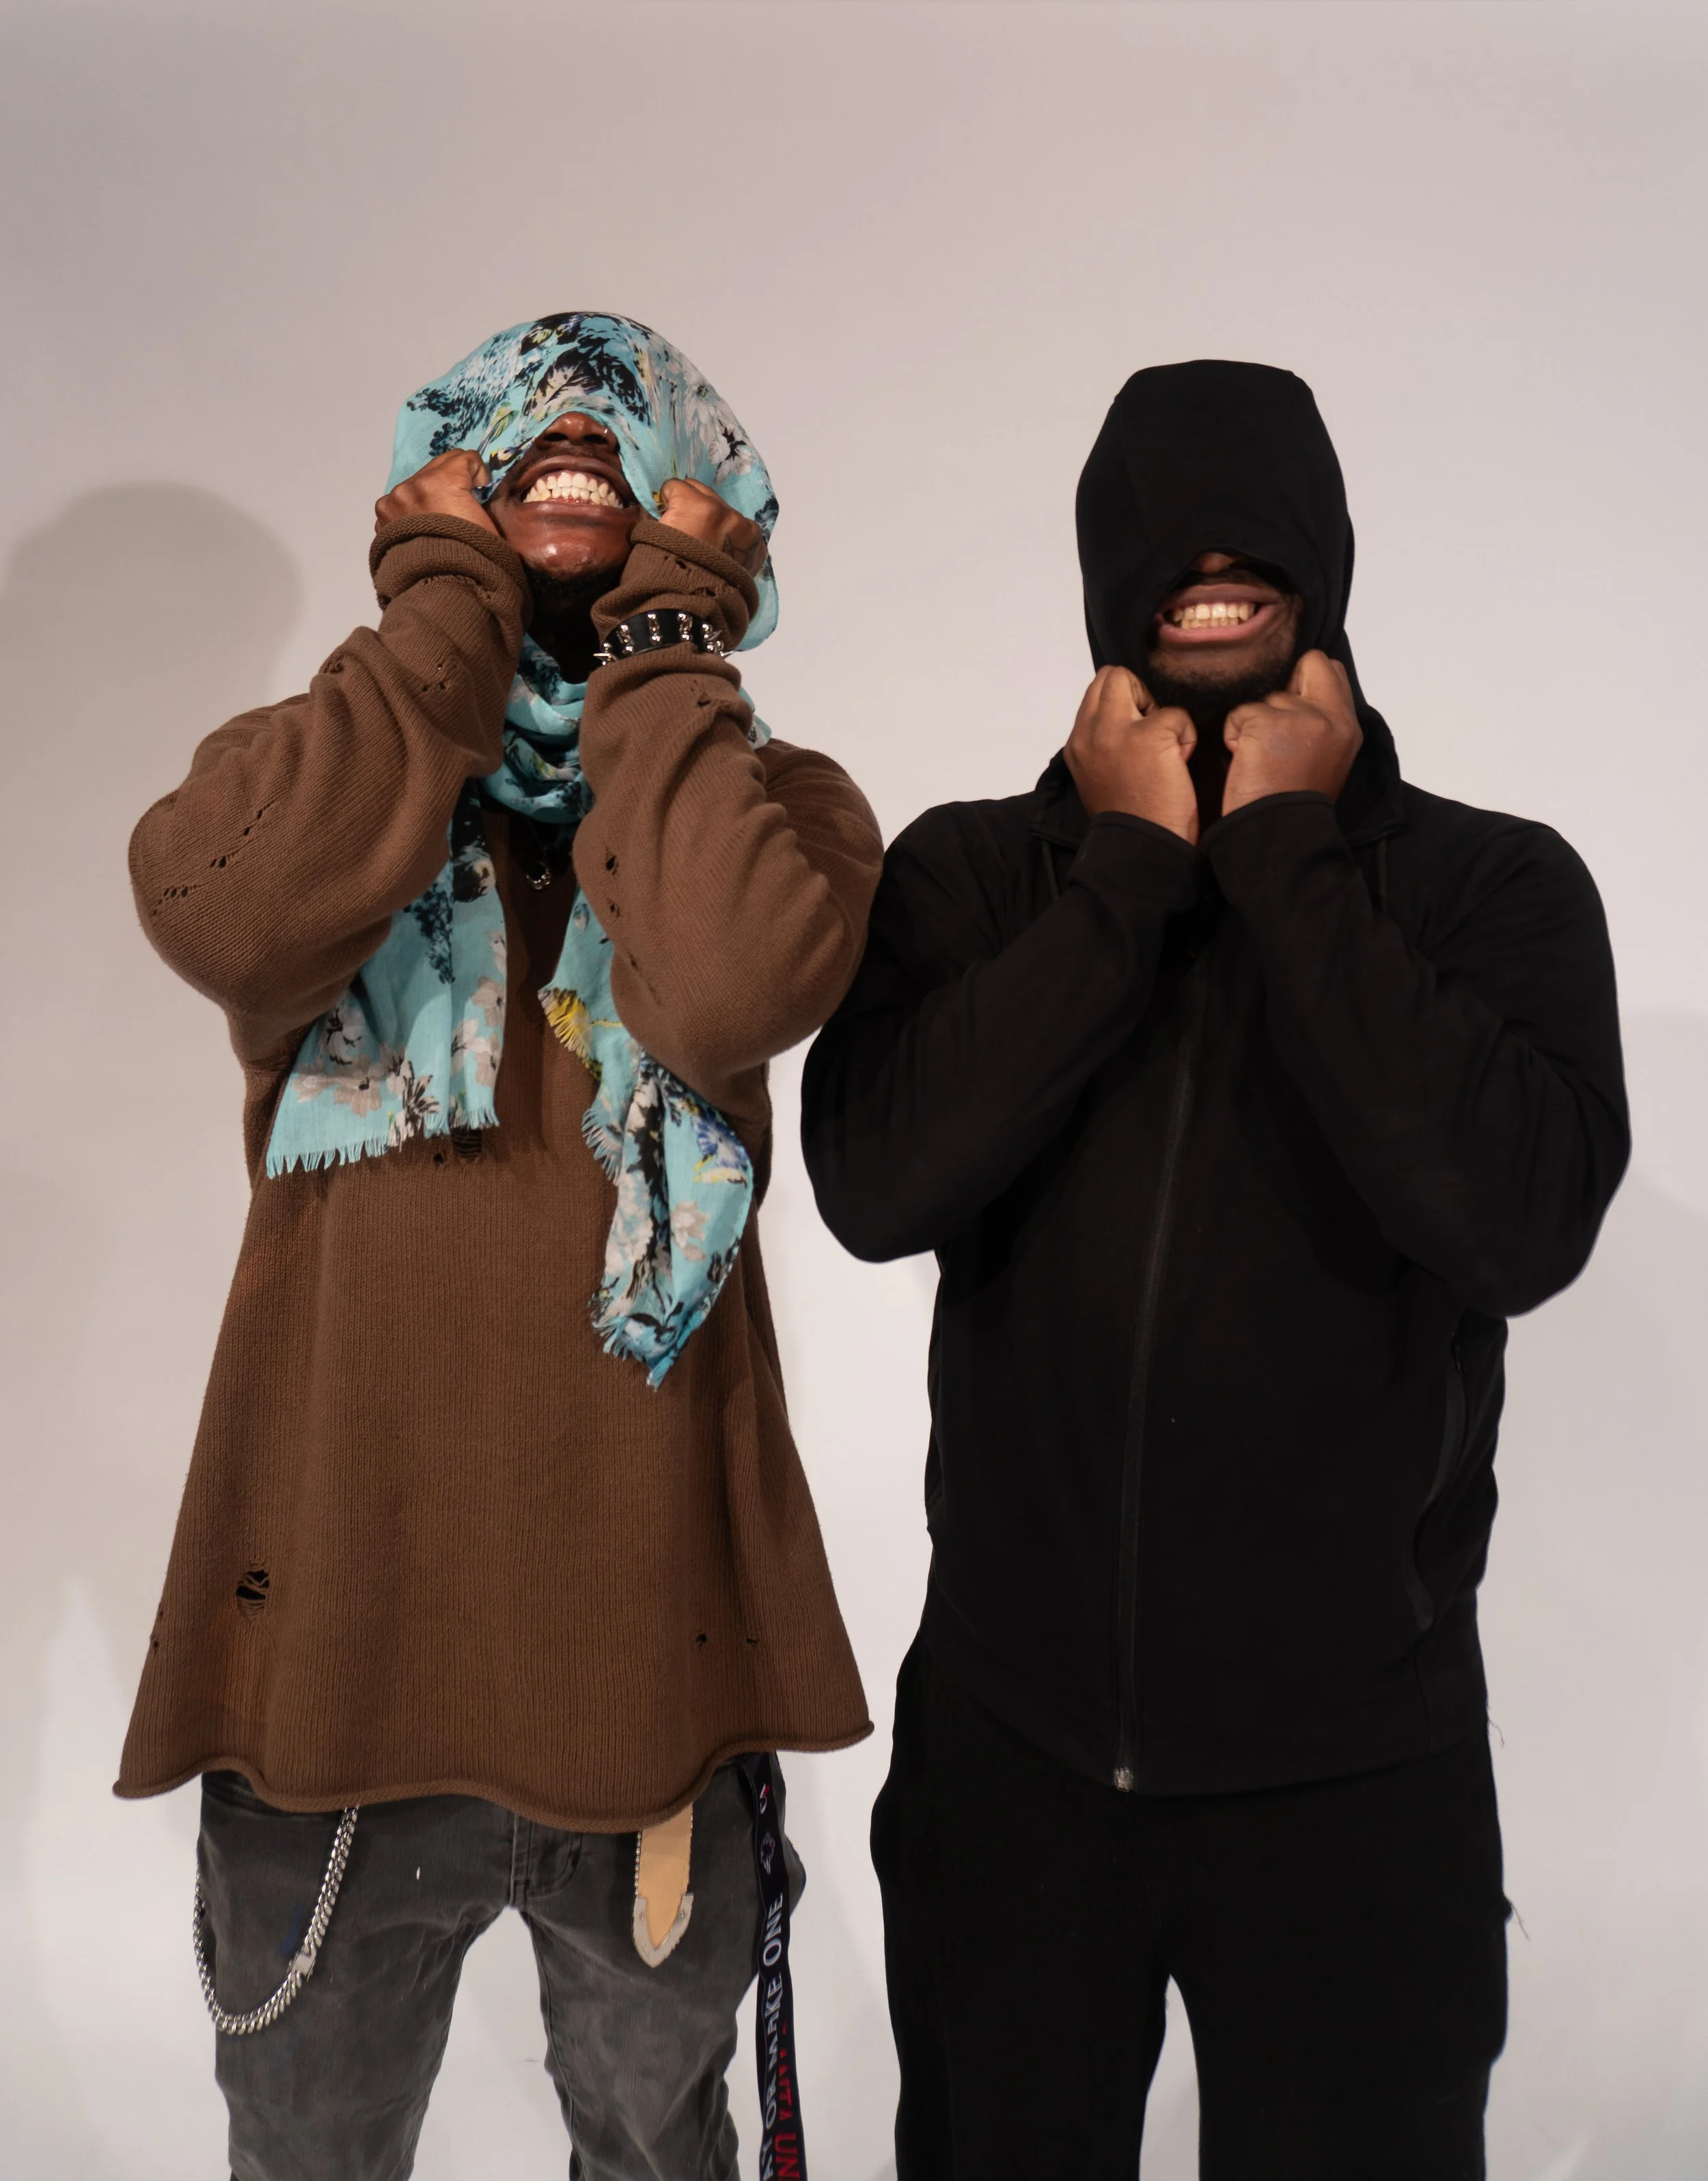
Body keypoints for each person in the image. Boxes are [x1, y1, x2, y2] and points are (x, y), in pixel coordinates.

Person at [801, 359, 1629, 2180]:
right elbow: (873, 1181)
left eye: (1254, 539)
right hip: (1008, 1766)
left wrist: (1284, 855)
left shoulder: (1487, 893)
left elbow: (1513, 1221)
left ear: (1329, 570)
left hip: (1358, 1781)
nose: (1210, 569)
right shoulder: (977, 877)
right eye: (1168, 541)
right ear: (1104, 581)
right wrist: (1123, 874)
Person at [119, 312, 881, 2181]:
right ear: (433, 487)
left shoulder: (768, 806)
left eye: (624, 424)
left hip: (641, 1677)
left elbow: (728, 986)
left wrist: (660, 649)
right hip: (328, 1677)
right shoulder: (328, 779)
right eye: (528, 426)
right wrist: (446, 612)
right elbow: (227, 917)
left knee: (656, 2149)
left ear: (707, 510)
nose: (576, 430)